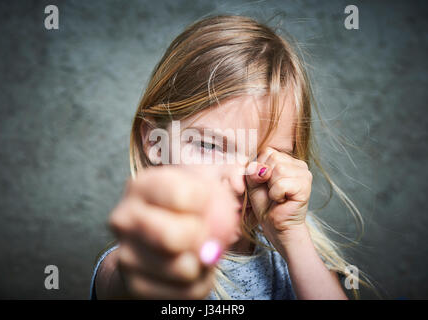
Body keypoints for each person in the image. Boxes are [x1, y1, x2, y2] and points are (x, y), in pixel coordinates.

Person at [89, 14, 365, 300]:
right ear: (155, 143)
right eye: (209, 146)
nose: (237, 182)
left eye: (266, 156)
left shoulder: (293, 241)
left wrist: (293, 239)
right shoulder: (125, 266)